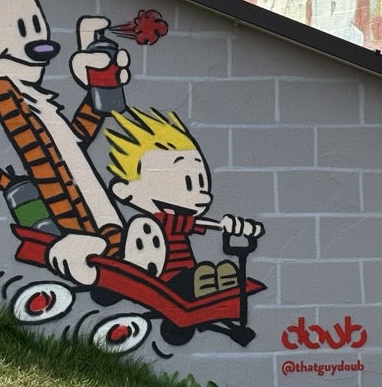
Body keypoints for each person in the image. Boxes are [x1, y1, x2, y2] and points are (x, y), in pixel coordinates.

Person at [104, 108, 263, 299]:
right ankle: (205, 283)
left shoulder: (178, 220)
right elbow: (201, 224)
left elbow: (202, 224)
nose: (202, 195)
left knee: (208, 274)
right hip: (166, 283)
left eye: (201, 182)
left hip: (187, 274)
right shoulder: (156, 223)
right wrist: (222, 225)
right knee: (193, 279)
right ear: (124, 190)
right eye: (186, 182)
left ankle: (212, 283)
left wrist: (230, 226)